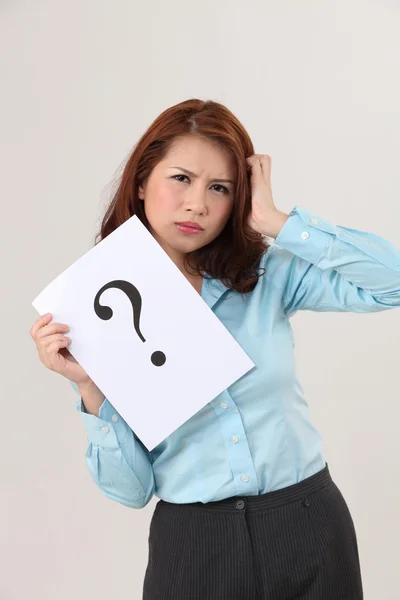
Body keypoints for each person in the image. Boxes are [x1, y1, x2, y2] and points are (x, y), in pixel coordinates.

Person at [30, 98, 400, 600]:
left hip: (309, 527)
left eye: (219, 188)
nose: (197, 204)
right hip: (195, 546)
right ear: (142, 183)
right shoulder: (98, 308)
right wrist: (88, 384)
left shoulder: (266, 277)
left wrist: (277, 221)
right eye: (180, 178)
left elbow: (391, 283)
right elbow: (131, 490)